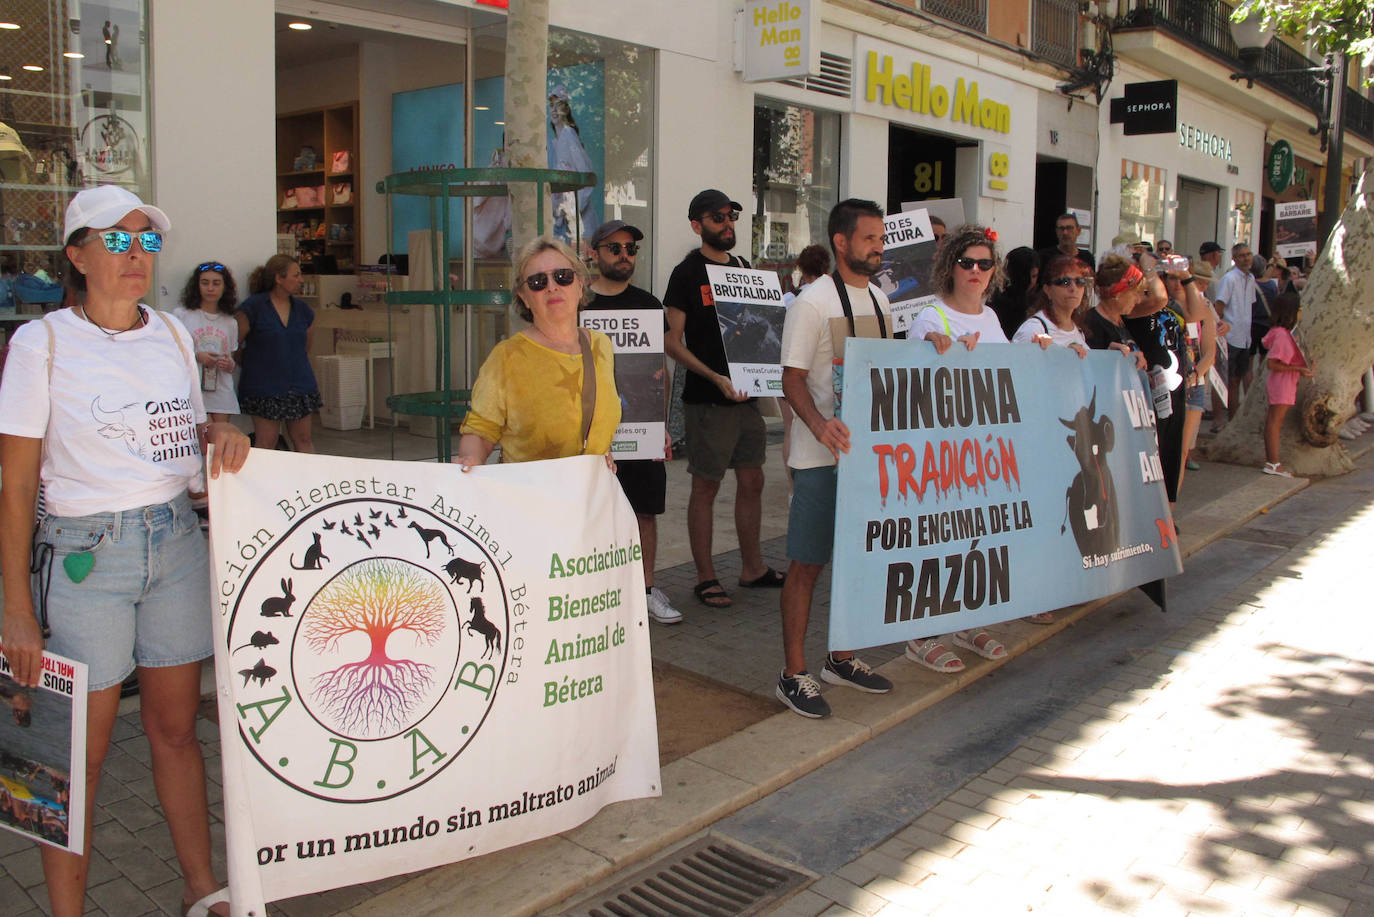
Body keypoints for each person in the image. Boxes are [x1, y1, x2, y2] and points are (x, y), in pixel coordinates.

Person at [0, 185, 249, 917]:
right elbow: (14, 483)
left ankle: (200, 886)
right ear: (77, 254)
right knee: (72, 755)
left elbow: (185, 430)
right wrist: (16, 605)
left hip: (173, 543)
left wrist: (221, 435)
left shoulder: (173, 334)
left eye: (146, 240)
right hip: (83, 559)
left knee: (176, 729)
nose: (135, 254)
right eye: (115, 239)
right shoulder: (41, 344)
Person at [775, 199, 895, 718]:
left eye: (881, 238)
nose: (879, 247)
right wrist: (821, 427)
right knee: (807, 563)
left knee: (856, 560)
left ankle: (841, 657)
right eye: (870, 238)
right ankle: (793, 672)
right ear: (841, 242)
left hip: (868, 460)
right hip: (821, 459)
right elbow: (791, 378)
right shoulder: (811, 302)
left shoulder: (883, 301)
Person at [664, 189, 783, 609]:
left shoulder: (746, 269)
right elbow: (671, 342)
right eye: (717, 217)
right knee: (706, 486)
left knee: (753, 479)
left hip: (747, 398)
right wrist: (714, 377)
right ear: (697, 225)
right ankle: (705, 576)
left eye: (731, 215)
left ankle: (753, 568)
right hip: (707, 399)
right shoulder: (686, 273)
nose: (727, 222)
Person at [904, 225, 1016, 670]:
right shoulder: (932, 318)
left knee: (978, 539)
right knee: (934, 543)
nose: (975, 271)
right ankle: (920, 634)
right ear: (949, 266)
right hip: (940, 454)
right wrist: (934, 350)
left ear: (994, 271)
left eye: (984, 264)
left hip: (984, 455)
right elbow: (908, 391)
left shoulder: (990, 319)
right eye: (966, 262)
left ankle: (968, 621)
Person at [584, 220, 682, 625]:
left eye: (631, 249)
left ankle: (644, 590)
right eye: (615, 248)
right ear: (595, 253)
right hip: (591, 433)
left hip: (640, 430)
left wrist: (662, 426)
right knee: (593, 514)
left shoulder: (648, 304)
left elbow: (660, 366)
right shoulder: (579, 306)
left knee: (644, 511)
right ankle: (596, 597)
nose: (625, 255)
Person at [457, 236, 619, 467]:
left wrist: (600, 451)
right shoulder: (507, 357)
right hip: (530, 496)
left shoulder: (601, 345)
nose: (552, 287)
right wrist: (470, 461)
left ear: (580, 284)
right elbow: (481, 430)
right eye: (537, 282)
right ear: (524, 297)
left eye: (563, 276)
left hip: (590, 495)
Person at [235, 255, 320, 452]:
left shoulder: (304, 310)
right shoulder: (253, 308)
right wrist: (257, 365)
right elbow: (234, 346)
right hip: (263, 386)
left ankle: (309, 481)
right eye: (296, 275)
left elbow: (305, 347)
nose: (301, 280)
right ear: (278, 278)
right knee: (267, 441)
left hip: (299, 384)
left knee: (304, 439)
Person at [780, 244, 832, 471]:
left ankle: (792, 484)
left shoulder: (791, 299)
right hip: (810, 375)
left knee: (791, 425)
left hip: (791, 367)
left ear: (800, 267)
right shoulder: (827, 299)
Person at [173, 262, 239, 423]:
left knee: (219, 438)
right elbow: (172, 353)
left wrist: (228, 364)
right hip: (191, 389)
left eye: (216, 283)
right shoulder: (182, 315)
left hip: (221, 390)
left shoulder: (230, 322)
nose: (210, 288)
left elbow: (232, 357)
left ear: (225, 287)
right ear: (197, 286)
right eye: (205, 283)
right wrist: (196, 356)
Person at [1260, 292, 1312, 477]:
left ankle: (1273, 461)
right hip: (1281, 384)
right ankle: (1273, 462)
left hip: (1286, 383)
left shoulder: (1283, 333)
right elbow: (1273, 363)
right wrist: (1298, 369)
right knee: (1274, 422)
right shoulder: (1282, 336)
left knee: (1275, 422)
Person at [1175, 261, 1218, 482]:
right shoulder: (1164, 305)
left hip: (1193, 385)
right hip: (1167, 384)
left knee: (1181, 452)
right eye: (1172, 278)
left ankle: (1171, 514)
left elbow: (1210, 352)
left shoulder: (1204, 309)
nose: (1177, 283)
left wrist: (1193, 376)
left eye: (1181, 279)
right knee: (1166, 451)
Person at [1213, 243, 1258, 422]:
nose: (1246, 258)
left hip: (1244, 337)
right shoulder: (1229, 279)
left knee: (1238, 380)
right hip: (1229, 337)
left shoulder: (1251, 278)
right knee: (1226, 381)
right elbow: (1219, 307)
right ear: (1235, 259)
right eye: (1241, 255)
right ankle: (1219, 420)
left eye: (1248, 254)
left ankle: (1234, 420)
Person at [548, 86, 598, 247]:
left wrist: (572, 210)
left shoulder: (569, 135)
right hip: (564, 226)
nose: (554, 111)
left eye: (559, 105)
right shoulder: (554, 143)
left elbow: (585, 176)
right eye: (551, 106)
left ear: (566, 109)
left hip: (579, 226)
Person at [1012, 254, 1090, 356]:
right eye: (1065, 282)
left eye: (1080, 282)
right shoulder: (1034, 329)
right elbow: (1017, 366)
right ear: (1047, 290)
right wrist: (1065, 355)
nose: (1073, 288)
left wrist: (1111, 354)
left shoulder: (1078, 331)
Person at [989, 246, 1039, 339]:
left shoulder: (1039, 299)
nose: (1032, 281)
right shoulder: (1001, 304)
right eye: (1032, 276)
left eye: (1035, 276)